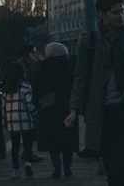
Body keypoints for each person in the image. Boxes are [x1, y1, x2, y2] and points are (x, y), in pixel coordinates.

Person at [66, 0, 124, 186]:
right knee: (112, 166)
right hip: (102, 114)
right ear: (101, 14)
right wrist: (74, 109)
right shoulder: (90, 43)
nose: (120, 16)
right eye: (114, 12)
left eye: (121, 11)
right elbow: (81, 78)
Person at [33, 42, 77, 178]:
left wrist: (37, 104)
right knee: (67, 140)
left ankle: (57, 167)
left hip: (49, 108)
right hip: (67, 107)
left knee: (53, 141)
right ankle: (68, 167)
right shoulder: (69, 67)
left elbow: (37, 88)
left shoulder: (44, 68)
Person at [3, 61, 37, 179]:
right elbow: (29, 104)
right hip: (25, 120)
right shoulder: (25, 87)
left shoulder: (7, 89)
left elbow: (4, 106)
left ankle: (15, 170)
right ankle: (27, 162)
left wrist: (5, 120)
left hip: (12, 121)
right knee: (27, 144)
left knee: (15, 146)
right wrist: (35, 114)